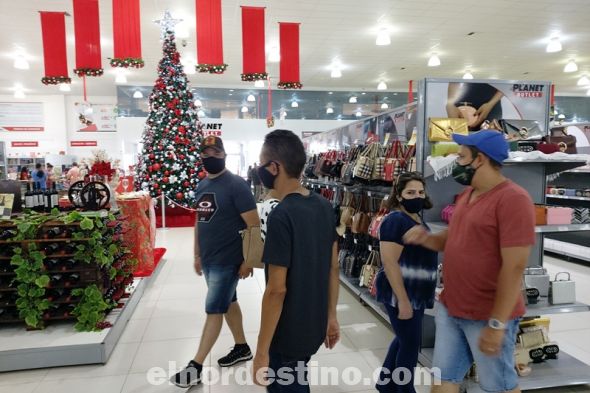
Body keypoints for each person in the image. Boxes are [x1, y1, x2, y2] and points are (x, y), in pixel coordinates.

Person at [404, 130, 535, 393]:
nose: (457, 161)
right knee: (443, 382)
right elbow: (453, 237)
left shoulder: (514, 200)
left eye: (462, 156)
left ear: (480, 159)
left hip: (487, 315)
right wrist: (426, 239)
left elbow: (515, 266)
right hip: (452, 307)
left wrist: (497, 324)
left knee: (499, 387)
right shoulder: (467, 195)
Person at [252, 129, 341, 392]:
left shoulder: (282, 215)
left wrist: (261, 351)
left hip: (286, 332)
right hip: (312, 324)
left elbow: (276, 290)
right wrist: (331, 316)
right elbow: (333, 267)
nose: (260, 170)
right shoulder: (323, 206)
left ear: (274, 167)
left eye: (262, 164)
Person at [170, 136, 260, 388]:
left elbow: (254, 224)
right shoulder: (201, 185)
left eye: (214, 151)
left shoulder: (237, 185)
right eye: (205, 152)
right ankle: (242, 347)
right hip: (209, 258)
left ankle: (195, 366)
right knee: (228, 302)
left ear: (223, 154)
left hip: (228, 259)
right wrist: (197, 254)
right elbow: (200, 220)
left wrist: (249, 260)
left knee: (214, 309)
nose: (210, 156)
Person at [374, 172, 438, 393]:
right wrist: (403, 301)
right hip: (401, 294)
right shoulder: (394, 221)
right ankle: (404, 389)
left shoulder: (417, 218)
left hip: (416, 293)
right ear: (399, 196)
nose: (417, 196)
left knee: (404, 339)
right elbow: (389, 263)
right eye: (410, 192)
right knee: (410, 344)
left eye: (420, 192)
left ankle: (385, 385)